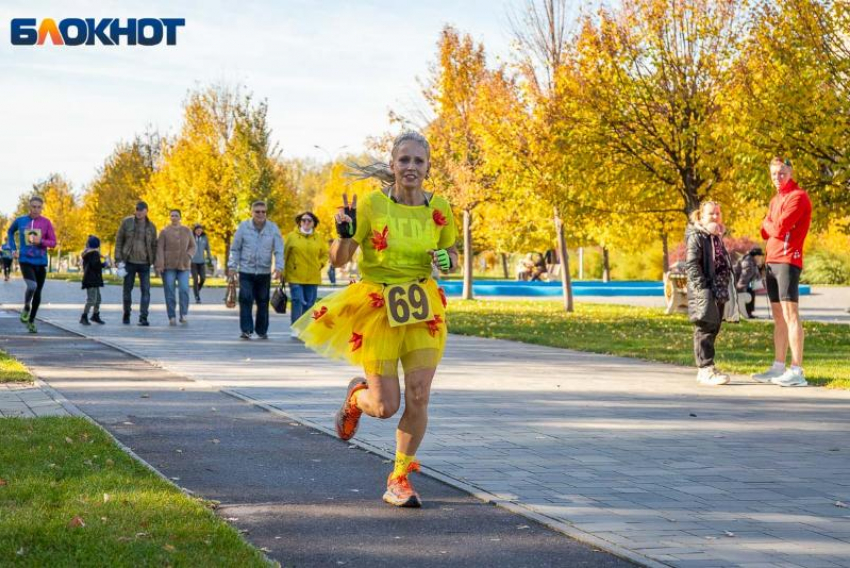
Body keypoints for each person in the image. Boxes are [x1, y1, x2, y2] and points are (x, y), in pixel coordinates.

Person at [293, 131, 459, 508]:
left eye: (419, 160)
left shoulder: (442, 208)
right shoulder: (371, 205)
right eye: (404, 160)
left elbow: (450, 253)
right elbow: (338, 259)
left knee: (419, 396)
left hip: (422, 305)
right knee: (385, 407)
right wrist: (344, 233)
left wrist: (448, 261)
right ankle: (356, 397)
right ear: (392, 165)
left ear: (428, 166)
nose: (411, 167)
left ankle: (399, 478)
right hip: (378, 305)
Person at [752, 158, 812, 388]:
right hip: (772, 260)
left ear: (790, 172)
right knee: (778, 317)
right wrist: (769, 223)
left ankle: (797, 370)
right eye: (774, 173)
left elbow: (778, 228)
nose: (778, 177)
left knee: (790, 314)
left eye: (782, 173)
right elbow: (765, 231)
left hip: (788, 259)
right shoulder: (776, 199)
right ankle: (778, 367)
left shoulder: (798, 197)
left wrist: (769, 223)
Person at [685, 201, 733, 386]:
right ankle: (705, 368)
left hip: (719, 289)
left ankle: (708, 367)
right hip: (705, 289)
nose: (715, 216)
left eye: (718, 213)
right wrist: (702, 288)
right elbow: (692, 265)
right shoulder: (697, 236)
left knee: (713, 328)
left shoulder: (715, 236)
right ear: (701, 217)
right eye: (711, 214)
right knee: (704, 328)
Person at [227, 200, 284, 340]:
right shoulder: (244, 227)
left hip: (264, 272)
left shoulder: (273, 228)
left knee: (263, 301)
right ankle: (246, 329)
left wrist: (279, 267)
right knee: (245, 298)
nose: (260, 214)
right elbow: (235, 248)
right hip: (246, 270)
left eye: (263, 212)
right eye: (257, 211)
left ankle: (262, 330)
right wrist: (232, 266)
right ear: (252, 212)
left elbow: (278, 250)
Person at [7, 196, 57, 333]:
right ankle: (26, 306)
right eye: (33, 206)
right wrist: (13, 249)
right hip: (25, 260)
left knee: (38, 292)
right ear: (29, 207)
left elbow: (53, 243)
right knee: (32, 286)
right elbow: (10, 232)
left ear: (42, 208)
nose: (35, 209)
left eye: (38, 207)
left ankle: (31, 321)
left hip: (40, 262)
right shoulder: (21, 221)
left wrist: (40, 241)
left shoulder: (46, 223)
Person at [283, 212, 328, 338]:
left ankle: (305, 328)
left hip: (313, 276)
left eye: (309, 220)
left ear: (314, 223)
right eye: (303, 220)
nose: (306, 223)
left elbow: (325, 254)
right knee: (297, 301)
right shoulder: (292, 237)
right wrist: (282, 271)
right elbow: (284, 254)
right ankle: (296, 327)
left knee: (309, 304)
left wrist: (320, 264)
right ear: (299, 222)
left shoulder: (318, 238)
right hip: (295, 275)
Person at [114, 201, 157, 326]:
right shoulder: (127, 222)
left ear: (146, 211)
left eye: (141, 210)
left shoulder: (151, 227)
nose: (138, 212)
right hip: (129, 262)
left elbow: (154, 245)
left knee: (146, 290)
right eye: (137, 209)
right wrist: (118, 259)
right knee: (127, 289)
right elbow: (119, 240)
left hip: (145, 263)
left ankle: (143, 317)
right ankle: (126, 313)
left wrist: (153, 260)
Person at [156, 209, 196, 326]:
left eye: (176, 215)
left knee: (184, 289)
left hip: (184, 265)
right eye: (172, 215)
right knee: (170, 291)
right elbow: (159, 249)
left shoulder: (187, 230)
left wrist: (189, 255)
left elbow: (193, 246)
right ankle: (172, 316)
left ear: (180, 217)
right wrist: (160, 264)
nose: (174, 217)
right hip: (169, 266)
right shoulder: (164, 231)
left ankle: (183, 314)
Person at [80, 235, 106, 325]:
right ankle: (84, 316)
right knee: (92, 300)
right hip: (92, 280)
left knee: (97, 299)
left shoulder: (89, 253)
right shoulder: (94, 254)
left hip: (92, 280)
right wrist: (104, 264)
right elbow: (96, 266)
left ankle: (95, 315)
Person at [733, 247, 765, 319]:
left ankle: (749, 312)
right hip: (739, 284)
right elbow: (744, 278)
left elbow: (756, 276)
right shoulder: (748, 263)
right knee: (749, 293)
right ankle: (746, 312)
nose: (761, 258)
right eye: (760, 256)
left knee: (751, 292)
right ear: (756, 256)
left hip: (747, 284)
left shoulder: (752, 262)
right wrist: (740, 288)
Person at [191, 224, 213, 303]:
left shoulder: (205, 238)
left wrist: (209, 257)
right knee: (195, 279)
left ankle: (196, 290)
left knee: (203, 278)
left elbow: (208, 248)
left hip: (201, 262)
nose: (199, 232)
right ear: (194, 230)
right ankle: (197, 296)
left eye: (200, 230)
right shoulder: (191, 237)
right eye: (197, 230)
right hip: (192, 262)